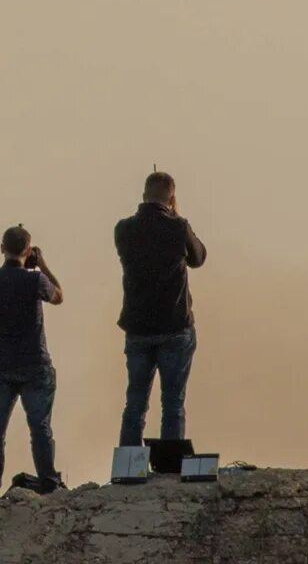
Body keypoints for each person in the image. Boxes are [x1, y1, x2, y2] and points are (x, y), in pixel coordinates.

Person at [115, 171, 207, 447]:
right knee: (173, 402)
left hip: (138, 327)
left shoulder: (123, 229)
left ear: (143, 196)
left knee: (135, 403)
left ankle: (129, 464)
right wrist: (177, 217)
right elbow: (199, 258)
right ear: (172, 198)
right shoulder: (178, 227)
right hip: (174, 327)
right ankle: (169, 467)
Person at [0, 224, 64, 499]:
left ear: (2, 248)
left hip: (1, 365)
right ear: (28, 250)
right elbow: (58, 296)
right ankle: (49, 483)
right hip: (34, 364)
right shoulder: (35, 280)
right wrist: (42, 266)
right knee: (40, 428)